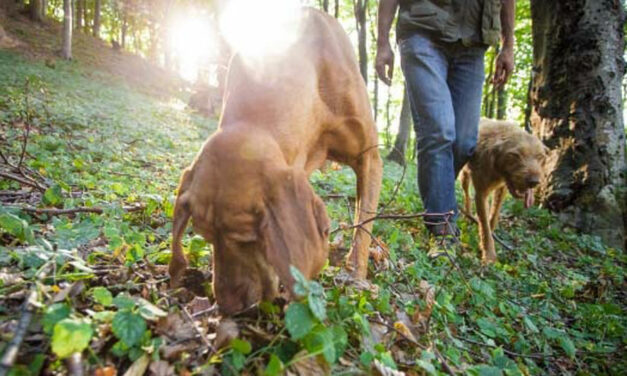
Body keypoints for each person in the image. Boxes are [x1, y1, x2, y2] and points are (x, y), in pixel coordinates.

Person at [376, 0, 515, 238]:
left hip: (473, 43)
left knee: (464, 141)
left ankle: (437, 200)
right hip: (422, 33)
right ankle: (442, 230)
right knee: (439, 132)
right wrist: (382, 42)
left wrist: (508, 46)